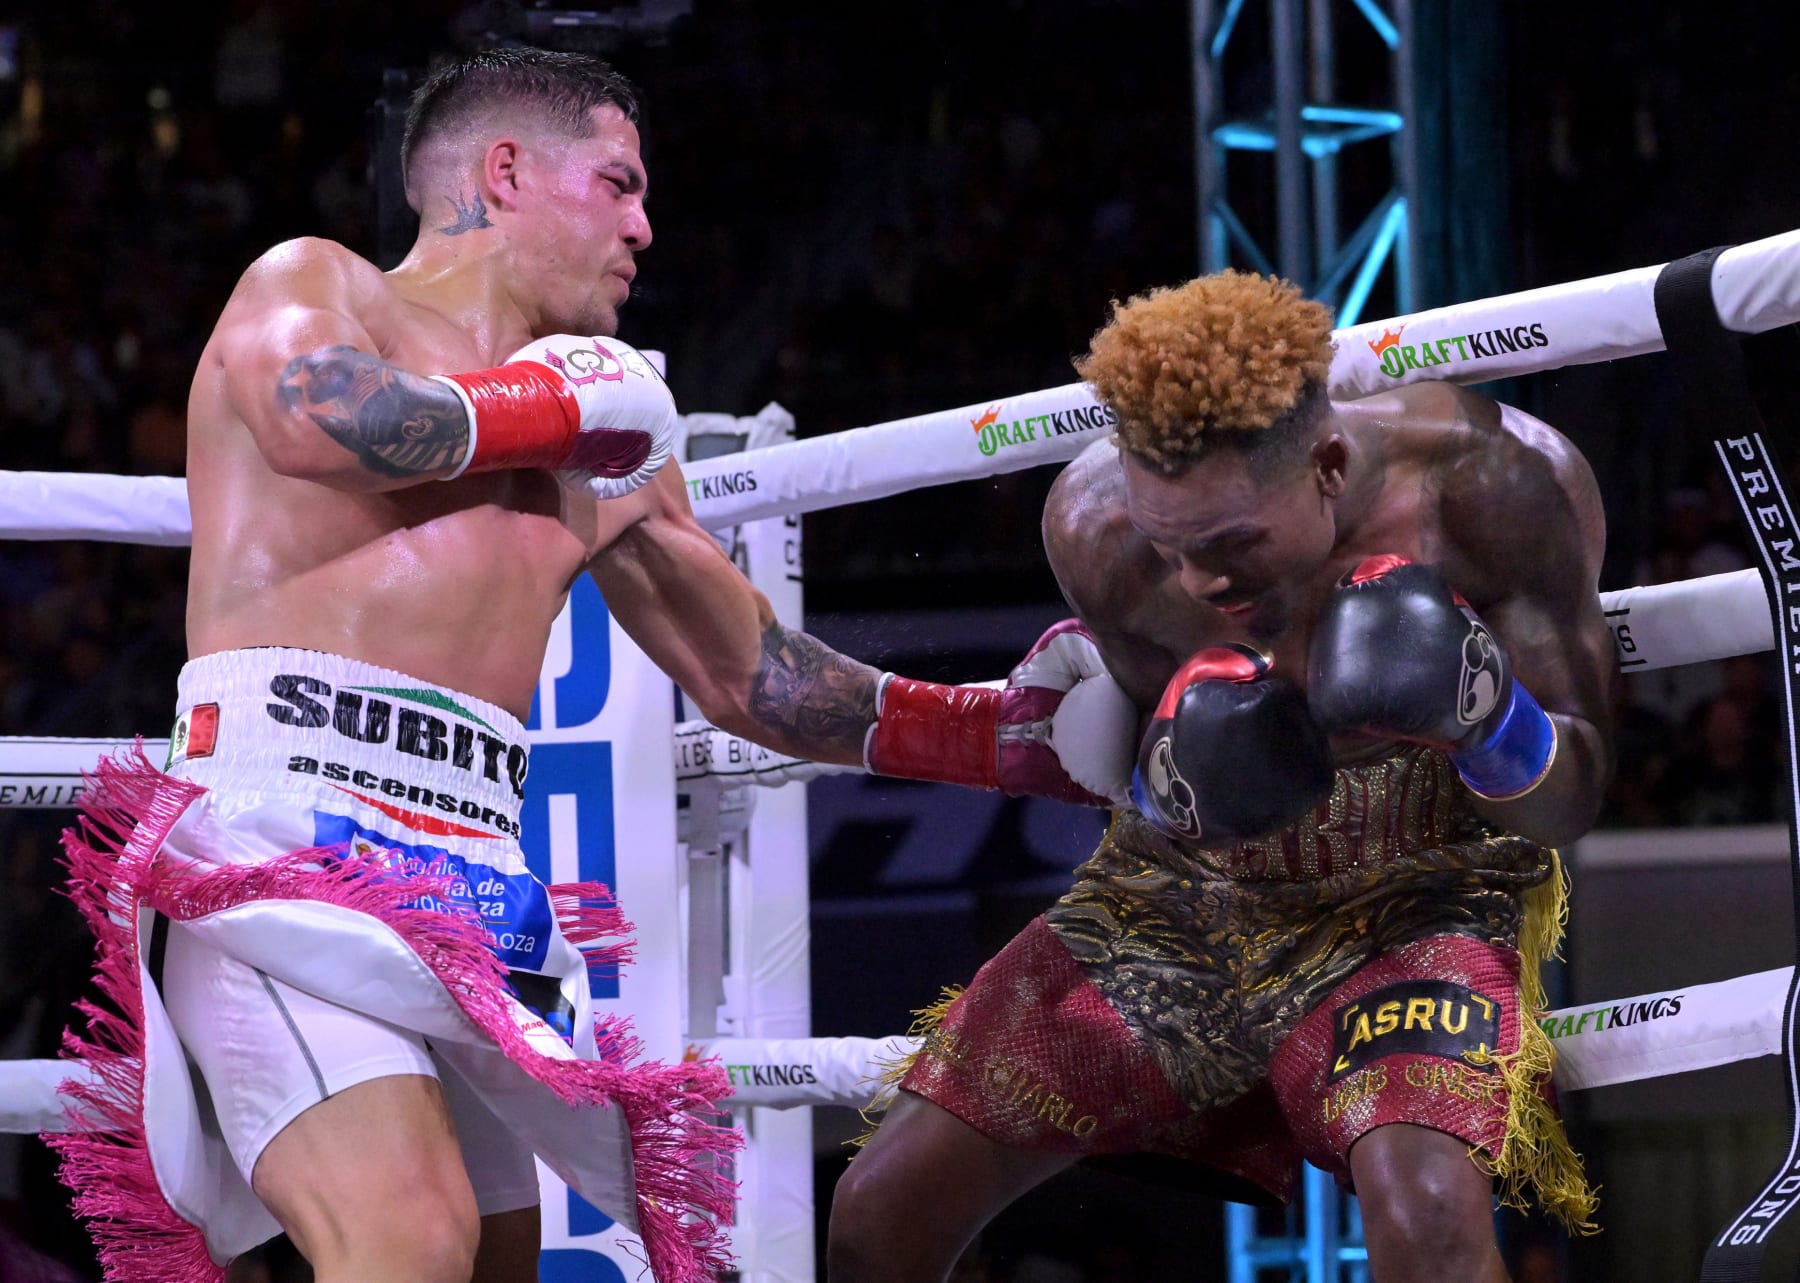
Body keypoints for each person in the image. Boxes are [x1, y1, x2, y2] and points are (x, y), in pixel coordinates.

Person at [51, 47, 1133, 1283]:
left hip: (468, 888)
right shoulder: (321, 284)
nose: (645, 225)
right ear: (502, 173)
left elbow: (750, 673)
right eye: (618, 183)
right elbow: (320, 418)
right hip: (279, 840)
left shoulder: (616, 427)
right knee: (409, 1241)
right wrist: (546, 407)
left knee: (496, 1261)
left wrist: (1000, 735)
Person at [829, 270, 1616, 1283]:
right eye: (1175, 545)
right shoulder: (1095, 529)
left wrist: (1487, 720)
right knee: (879, 1206)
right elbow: (1184, 775)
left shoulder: (1497, 490)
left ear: (1327, 463)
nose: (1201, 581)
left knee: (1429, 1220)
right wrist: (1166, 777)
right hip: (1185, 898)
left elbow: (1578, 794)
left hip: (1427, 894)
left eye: (1232, 542)